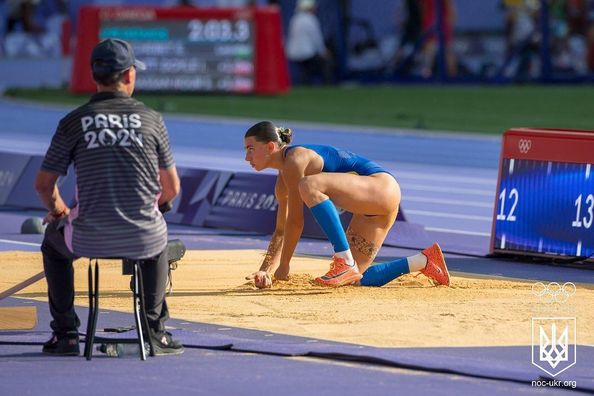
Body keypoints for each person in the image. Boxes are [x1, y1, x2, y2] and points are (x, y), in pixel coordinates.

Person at [34, 38, 183, 356]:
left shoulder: (73, 122)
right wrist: (149, 209)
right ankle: (155, 334)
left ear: (94, 76)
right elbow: (171, 189)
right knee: (157, 241)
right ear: (129, 75)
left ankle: (67, 335)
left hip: (86, 239)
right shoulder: (152, 119)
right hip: (142, 238)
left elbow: (44, 184)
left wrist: (59, 211)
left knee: (52, 243)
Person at [243, 121, 450, 289]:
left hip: (382, 187)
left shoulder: (295, 160)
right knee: (356, 278)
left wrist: (285, 265)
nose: (247, 157)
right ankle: (423, 261)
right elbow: (281, 229)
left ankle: (344, 260)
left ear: (270, 146)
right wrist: (266, 270)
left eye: (251, 149)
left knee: (309, 184)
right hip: (373, 206)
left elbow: (296, 222)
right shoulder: (282, 184)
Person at [285, 0, 332, 85]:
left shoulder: (295, 19)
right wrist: (323, 51)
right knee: (326, 63)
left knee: (306, 70)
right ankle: (327, 84)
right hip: (307, 53)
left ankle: (306, 82)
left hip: (294, 53)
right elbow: (317, 39)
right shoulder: (311, 19)